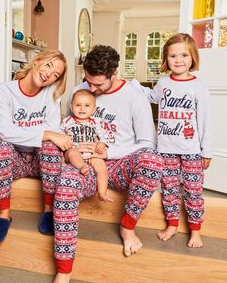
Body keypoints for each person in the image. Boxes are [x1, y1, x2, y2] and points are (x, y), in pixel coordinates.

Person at [53, 45, 163, 283]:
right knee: (66, 185)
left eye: (98, 84)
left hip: (120, 163)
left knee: (152, 161)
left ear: (115, 74)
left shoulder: (135, 97)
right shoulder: (79, 90)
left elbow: (147, 144)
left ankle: (127, 227)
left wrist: (108, 152)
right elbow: (65, 129)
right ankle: (64, 268)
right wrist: (69, 151)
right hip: (85, 163)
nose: (91, 89)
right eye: (88, 81)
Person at [132, 33, 212, 248]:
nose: (178, 60)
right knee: (169, 189)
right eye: (173, 56)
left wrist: (207, 151)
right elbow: (152, 97)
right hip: (166, 148)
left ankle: (195, 230)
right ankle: (173, 224)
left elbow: (204, 121)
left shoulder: (198, 87)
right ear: (166, 59)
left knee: (193, 191)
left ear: (193, 57)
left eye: (184, 55)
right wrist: (132, 84)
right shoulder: (164, 81)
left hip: (191, 150)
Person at [0, 50, 73, 244]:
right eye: (48, 65)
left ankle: (48, 211)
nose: (49, 74)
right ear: (37, 62)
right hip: (14, 160)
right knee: (0, 147)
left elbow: (54, 131)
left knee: (51, 146)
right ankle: (3, 215)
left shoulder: (51, 94)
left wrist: (49, 136)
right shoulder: (4, 91)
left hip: (38, 163)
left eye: (56, 74)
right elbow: (6, 132)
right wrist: (47, 134)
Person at [61, 89, 112, 203]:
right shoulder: (66, 122)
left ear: (94, 109)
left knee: (102, 168)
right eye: (78, 105)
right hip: (75, 150)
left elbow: (105, 135)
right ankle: (81, 167)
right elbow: (60, 135)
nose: (82, 109)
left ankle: (102, 193)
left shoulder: (96, 123)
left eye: (87, 105)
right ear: (71, 107)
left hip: (91, 154)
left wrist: (102, 143)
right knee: (72, 153)